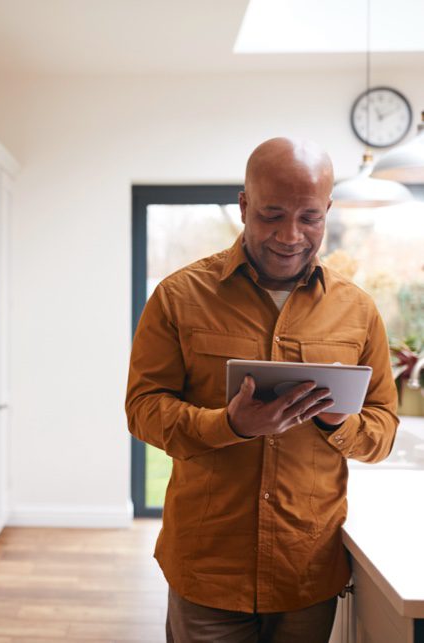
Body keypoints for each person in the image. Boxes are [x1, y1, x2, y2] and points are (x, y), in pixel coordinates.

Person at [125, 137, 398, 643]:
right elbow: (143, 410)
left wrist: (339, 422)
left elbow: (382, 431)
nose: (290, 235)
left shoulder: (357, 311)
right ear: (244, 205)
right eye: (272, 214)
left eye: (309, 217)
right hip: (208, 568)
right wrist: (230, 425)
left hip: (306, 571)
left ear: (327, 213)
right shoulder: (178, 297)